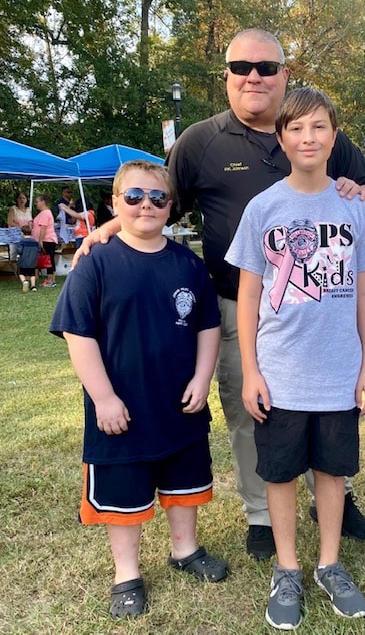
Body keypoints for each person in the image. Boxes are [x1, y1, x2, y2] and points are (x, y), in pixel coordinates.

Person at [75, 28, 365, 559]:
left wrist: (358, 192)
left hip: (323, 304)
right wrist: (109, 228)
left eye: (266, 67)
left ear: (285, 74)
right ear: (227, 77)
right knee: (253, 411)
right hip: (236, 302)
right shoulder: (200, 141)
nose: (253, 77)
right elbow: (156, 201)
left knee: (330, 403)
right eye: (241, 67)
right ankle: (261, 513)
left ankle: (336, 496)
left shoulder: (317, 128)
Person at [225, 87, 365, 630]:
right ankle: (288, 568)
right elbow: (248, 294)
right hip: (280, 372)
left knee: (332, 471)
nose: (308, 137)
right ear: (281, 139)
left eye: (319, 127)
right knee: (279, 474)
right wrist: (251, 370)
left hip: (339, 371)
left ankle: (329, 564)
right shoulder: (263, 208)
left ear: (334, 136)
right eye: (295, 128)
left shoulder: (353, 207)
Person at [50, 160, 227, 620]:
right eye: (133, 196)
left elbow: (208, 325)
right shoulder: (95, 263)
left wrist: (202, 378)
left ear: (171, 207)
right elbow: (78, 334)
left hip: (179, 404)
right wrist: (104, 398)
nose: (145, 204)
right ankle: (126, 573)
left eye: (157, 197)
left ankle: (185, 549)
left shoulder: (189, 265)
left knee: (184, 483)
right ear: (115, 204)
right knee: (124, 493)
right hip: (121, 409)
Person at [32, 194, 58, 288]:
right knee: (49, 259)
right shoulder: (44, 213)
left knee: (49, 260)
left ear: (43, 202)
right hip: (47, 240)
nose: (36, 204)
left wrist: (40, 240)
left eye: (37, 202)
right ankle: (50, 279)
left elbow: (43, 228)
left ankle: (51, 280)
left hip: (47, 240)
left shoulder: (45, 213)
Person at [7, 192, 32, 261]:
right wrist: (21, 227)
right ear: (17, 199)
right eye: (20, 198)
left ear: (26, 199)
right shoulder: (13, 209)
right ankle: (13, 266)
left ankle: (24, 265)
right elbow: (9, 222)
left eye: (24, 198)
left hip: (26, 234)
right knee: (14, 252)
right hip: (15, 234)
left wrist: (30, 228)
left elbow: (30, 221)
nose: (22, 200)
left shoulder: (28, 210)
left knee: (26, 251)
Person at [16, 224, 39, 292]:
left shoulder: (21, 242)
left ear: (22, 233)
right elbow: (39, 250)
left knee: (21, 273)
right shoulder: (35, 242)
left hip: (23, 261)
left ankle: (24, 281)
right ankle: (33, 286)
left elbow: (19, 251)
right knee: (32, 274)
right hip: (32, 261)